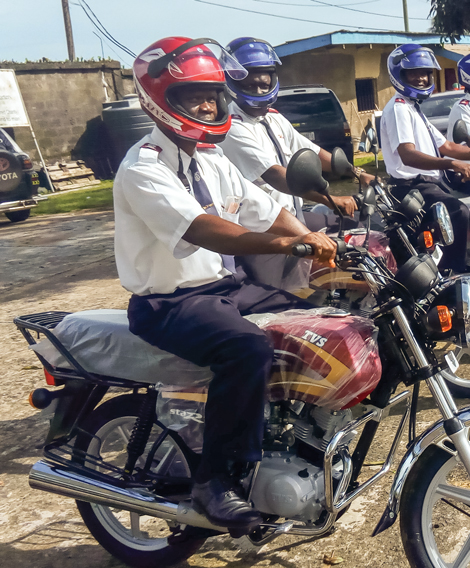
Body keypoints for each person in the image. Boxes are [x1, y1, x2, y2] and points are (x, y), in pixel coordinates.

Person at [115, 37, 337, 529]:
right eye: (194, 95)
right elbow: (201, 227)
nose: (209, 105)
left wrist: (312, 239)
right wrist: (283, 247)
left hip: (222, 288)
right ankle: (215, 481)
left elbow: (265, 209)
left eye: (213, 94)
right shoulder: (142, 166)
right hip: (169, 303)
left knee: (314, 321)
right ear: (159, 98)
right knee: (247, 348)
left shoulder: (211, 158)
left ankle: (291, 436)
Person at [218, 37, 372, 288]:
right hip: (265, 233)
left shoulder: (274, 119)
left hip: (294, 218)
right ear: (233, 81)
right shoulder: (234, 128)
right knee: (300, 300)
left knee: (359, 236)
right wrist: (331, 199)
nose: (259, 88)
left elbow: (311, 151)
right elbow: (278, 177)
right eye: (250, 82)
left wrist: (358, 173)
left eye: (263, 80)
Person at [381, 43, 470, 272]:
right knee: (457, 212)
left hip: (428, 185)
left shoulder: (413, 108)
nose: (422, 78)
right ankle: (452, 274)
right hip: (410, 187)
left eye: (426, 73)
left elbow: (447, 145)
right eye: (414, 72)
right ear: (400, 74)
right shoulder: (398, 108)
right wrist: (452, 164)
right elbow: (408, 154)